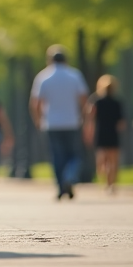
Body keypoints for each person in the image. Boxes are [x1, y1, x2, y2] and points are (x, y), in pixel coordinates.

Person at [30, 45, 89, 200]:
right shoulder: (75, 75)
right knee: (75, 155)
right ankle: (70, 176)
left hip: (52, 123)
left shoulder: (43, 77)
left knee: (57, 156)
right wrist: (85, 118)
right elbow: (84, 101)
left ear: (50, 60)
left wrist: (39, 120)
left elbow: (35, 103)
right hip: (72, 122)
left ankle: (60, 186)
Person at [84, 74, 125, 193]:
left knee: (102, 161)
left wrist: (88, 132)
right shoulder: (117, 102)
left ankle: (107, 182)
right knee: (113, 161)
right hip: (112, 134)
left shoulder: (96, 101)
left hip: (100, 133)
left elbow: (90, 117)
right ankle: (111, 184)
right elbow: (121, 123)